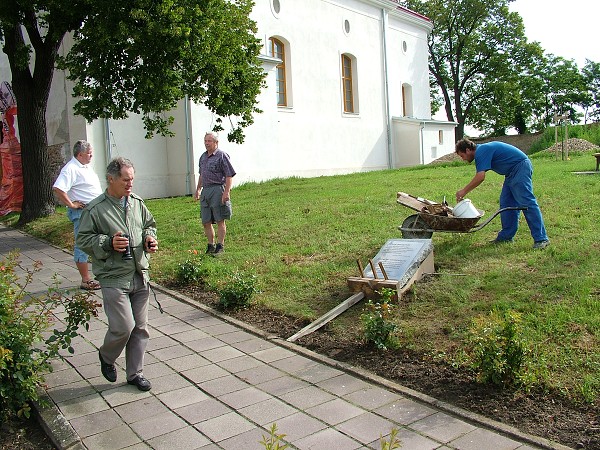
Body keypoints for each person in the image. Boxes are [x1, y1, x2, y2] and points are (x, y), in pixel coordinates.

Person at [76, 157, 158, 391]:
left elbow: (149, 225)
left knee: (140, 328)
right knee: (124, 326)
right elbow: (82, 240)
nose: (130, 184)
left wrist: (149, 239)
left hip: (140, 273)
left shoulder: (136, 203)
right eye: (125, 179)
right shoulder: (95, 209)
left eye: (132, 179)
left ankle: (135, 374)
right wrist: (108, 242)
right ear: (111, 179)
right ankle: (107, 356)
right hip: (113, 276)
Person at [455, 138, 549, 249]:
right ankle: (506, 237)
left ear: (467, 150)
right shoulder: (481, 150)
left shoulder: (481, 151)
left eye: (462, 156)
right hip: (511, 173)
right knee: (506, 203)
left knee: (526, 203)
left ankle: (541, 239)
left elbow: (480, 177)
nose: (463, 159)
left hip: (520, 168)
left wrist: (464, 191)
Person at [53, 140, 103, 290]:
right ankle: (85, 280)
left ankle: (99, 274)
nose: (92, 156)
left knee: (98, 242)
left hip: (94, 211)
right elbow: (58, 188)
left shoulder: (85, 167)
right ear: (80, 154)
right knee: (82, 244)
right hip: (82, 213)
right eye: (89, 153)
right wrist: (71, 204)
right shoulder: (71, 169)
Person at [194, 131, 236, 255]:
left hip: (218, 189)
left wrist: (226, 192)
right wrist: (198, 189)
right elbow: (202, 175)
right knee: (205, 221)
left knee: (219, 219)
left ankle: (220, 245)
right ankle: (210, 245)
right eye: (205, 141)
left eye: (209, 141)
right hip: (206, 191)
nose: (207, 143)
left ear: (216, 142)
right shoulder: (203, 157)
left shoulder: (222, 156)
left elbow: (229, 175)